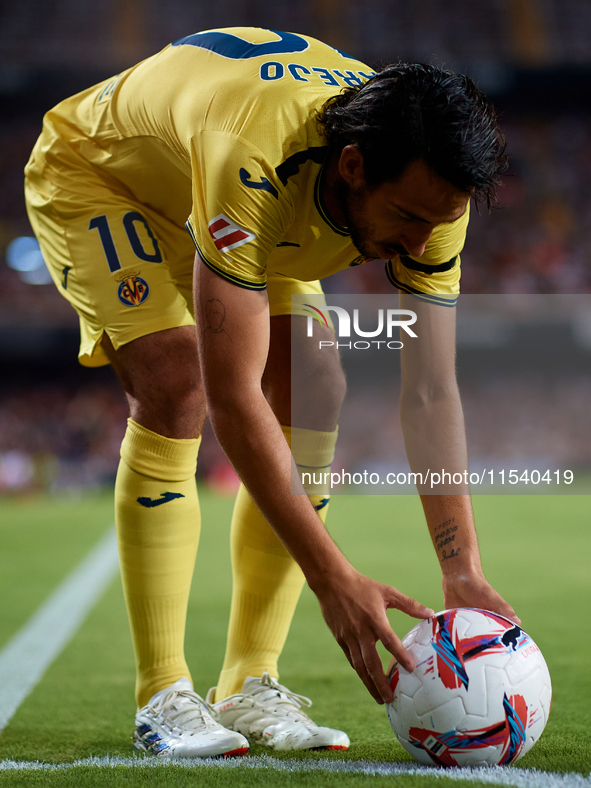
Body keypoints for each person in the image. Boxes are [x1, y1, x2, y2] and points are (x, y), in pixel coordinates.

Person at [24, 27, 519, 758]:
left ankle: (249, 684)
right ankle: (163, 694)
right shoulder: (254, 154)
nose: (420, 246)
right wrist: (333, 577)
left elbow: (430, 391)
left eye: (437, 224)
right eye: (408, 219)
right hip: (103, 177)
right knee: (177, 378)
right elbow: (232, 397)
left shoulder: (435, 199)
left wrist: (461, 568)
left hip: (256, 204)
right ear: (353, 166)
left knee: (315, 381)